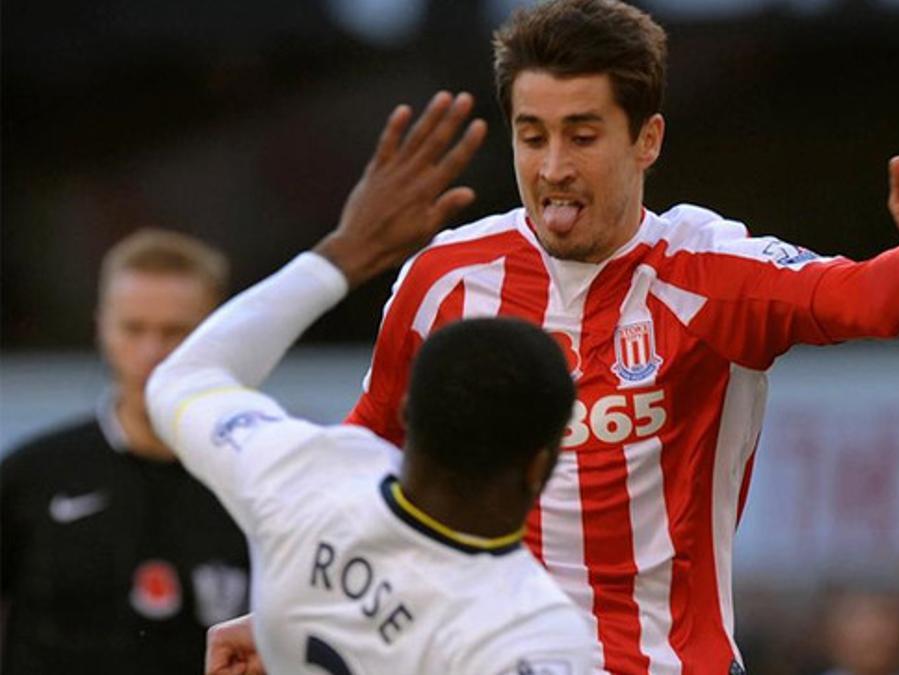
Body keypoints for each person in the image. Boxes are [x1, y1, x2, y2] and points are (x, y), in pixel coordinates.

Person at [338, 1, 899, 673]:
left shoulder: (710, 271)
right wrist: (293, 606)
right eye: (532, 135)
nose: (552, 168)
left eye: (581, 135)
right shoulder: (446, 281)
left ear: (647, 139)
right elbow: (368, 441)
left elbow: (866, 301)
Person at [145, 91, 599, 674]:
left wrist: (343, 253)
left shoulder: (310, 476)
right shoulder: (529, 633)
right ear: (540, 464)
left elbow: (182, 379)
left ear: (407, 415)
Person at [0, 229, 251, 674]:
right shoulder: (32, 475)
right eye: (133, 329)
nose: (152, 351)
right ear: (101, 327)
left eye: (175, 332)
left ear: (219, 332)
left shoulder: (261, 479)